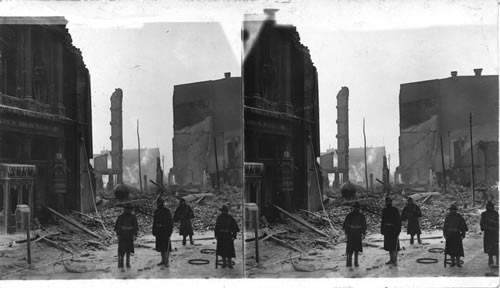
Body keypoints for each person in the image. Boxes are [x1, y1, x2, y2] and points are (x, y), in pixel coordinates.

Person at [343, 201, 367, 267]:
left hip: (356, 234)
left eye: (357, 208)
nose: (356, 209)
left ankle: (355, 262)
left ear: (359, 208)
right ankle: (350, 263)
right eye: (355, 207)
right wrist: (346, 232)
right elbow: (346, 224)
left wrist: (363, 233)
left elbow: (364, 225)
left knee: (356, 249)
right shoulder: (350, 215)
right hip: (352, 233)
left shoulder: (361, 216)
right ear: (353, 208)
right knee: (351, 249)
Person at [114, 203, 138, 269]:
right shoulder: (121, 217)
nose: (128, 211)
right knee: (121, 249)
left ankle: (128, 262)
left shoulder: (133, 217)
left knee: (128, 249)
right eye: (127, 209)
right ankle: (120, 262)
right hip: (122, 235)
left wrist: (135, 235)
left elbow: (135, 227)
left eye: (129, 209)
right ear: (125, 210)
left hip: (129, 235)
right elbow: (117, 226)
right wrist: (118, 234)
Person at [153, 197, 174, 267]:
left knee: (166, 247)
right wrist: (154, 230)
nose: (159, 204)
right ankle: (163, 260)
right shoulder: (156, 211)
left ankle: (166, 261)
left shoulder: (167, 211)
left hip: (165, 231)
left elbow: (170, 222)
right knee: (161, 247)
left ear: (162, 203)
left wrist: (170, 231)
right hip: (159, 231)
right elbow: (154, 222)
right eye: (158, 203)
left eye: (160, 202)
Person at [381, 196, 401, 266]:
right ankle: (391, 259)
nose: (387, 203)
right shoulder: (384, 210)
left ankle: (395, 260)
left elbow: (398, 221)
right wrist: (382, 230)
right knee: (389, 246)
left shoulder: (395, 210)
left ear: (391, 202)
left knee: (394, 246)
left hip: (393, 230)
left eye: (389, 201)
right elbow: (383, 221)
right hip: (387, 229)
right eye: (386, 201)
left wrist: (398, 230)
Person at [480, 201, 498, 267]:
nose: (489, 208)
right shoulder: (484, 214)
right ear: (486, 207)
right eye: (488, 206)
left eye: (491, 206)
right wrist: (487, 227)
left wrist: (491, 222)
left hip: (495, 233)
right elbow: (482, 223)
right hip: (488, 233)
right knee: (489, 248)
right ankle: (490, 261)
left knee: (496, 247)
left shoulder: (496, 213)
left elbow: (498, 222)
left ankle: (498, 261)